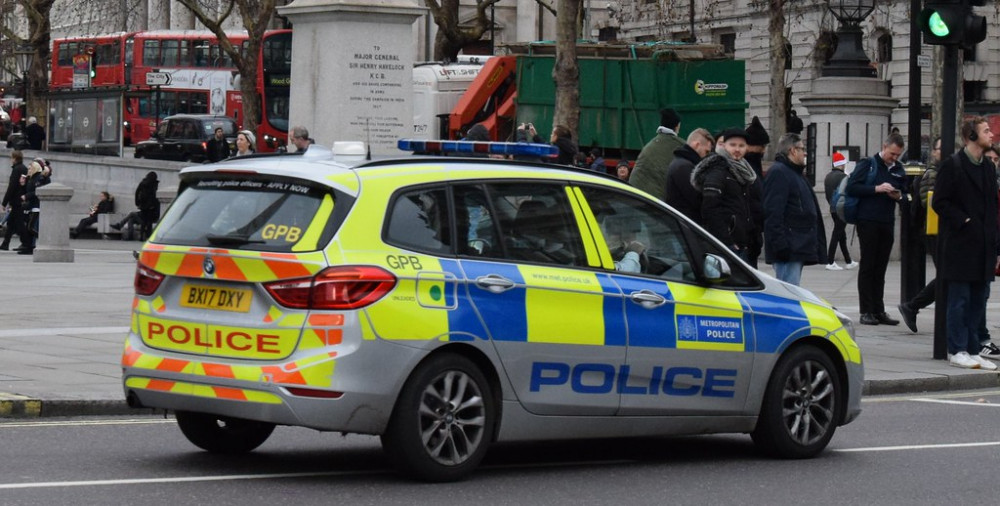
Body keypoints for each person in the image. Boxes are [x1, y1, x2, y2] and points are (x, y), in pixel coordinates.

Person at [932, 117, 1000, 370]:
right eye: (985, 131)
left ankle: (973, 349)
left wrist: (996, 247)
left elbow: (993, 208)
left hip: (983, 245)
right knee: (959, 300)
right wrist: (965, 221)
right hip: (961, 244)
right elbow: (939, 202)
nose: (991, 134)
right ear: (971, 136)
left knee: (977, 301)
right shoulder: (953, 165)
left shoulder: (987, 167)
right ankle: (957, 349)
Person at [846, 133, 906, 326]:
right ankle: (866, 310)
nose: (894, 158)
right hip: (868, 220)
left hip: (887, 220)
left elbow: (905, 191)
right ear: (884, 146)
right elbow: (852, 188)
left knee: (881, 267)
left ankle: (878, 309)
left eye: (897, 155)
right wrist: (876, 189)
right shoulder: (868, 164)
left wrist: (898, 196)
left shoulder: (899, 169)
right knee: (868, 265)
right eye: (892, 154)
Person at [762, 133, 827, 285]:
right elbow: (773, 213)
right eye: (802, 149)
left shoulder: (795, 173)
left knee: (792, 293)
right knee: (787, 295)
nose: (805, 153)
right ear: (792, 150)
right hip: (789, 249)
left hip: (797, 246)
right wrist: (781, 246)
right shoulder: (779, 172)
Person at [690, 127, 758, 260]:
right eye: (732, 145)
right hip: (726, 246)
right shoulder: (718, 171)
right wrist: (727, 242)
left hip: (740, 243)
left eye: (741, 145)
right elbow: (710, 209)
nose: (737, 149)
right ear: (723, 146)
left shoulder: (742, 171)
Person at [897, 137, 942, 331]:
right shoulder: (932, 174)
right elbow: (930, 203)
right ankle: (912, 306)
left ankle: (912, 306)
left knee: (946, 276)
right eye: (940, 148)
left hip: (939, 231)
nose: (945, 151)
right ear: (933, 152)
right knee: (946, 276)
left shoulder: (943, 172)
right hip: (935, 231)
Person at [629, 108, 684, 201]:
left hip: (632, 194)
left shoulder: (652, 143)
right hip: (651, 201)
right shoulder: (679, 145)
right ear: (677, 126)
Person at [664, 127, 714, 223]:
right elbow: (697, 200)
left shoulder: (681, 163)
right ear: (696, 145)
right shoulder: (684, 167)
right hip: (686, 224)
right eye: (706, 151)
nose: (706, 156)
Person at [823, 152, 858, 271]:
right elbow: (847, 193)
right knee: (837, 234)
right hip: (841, 209)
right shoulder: (843, 177)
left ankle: (848, 261)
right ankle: (830, 261)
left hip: (832, 209)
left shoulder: (828, 176)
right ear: (842, 164)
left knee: (841, 235)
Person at [743, 116, 769, 268]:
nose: (764, 150)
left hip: (754, 233)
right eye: (761, 146)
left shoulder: (754, 166)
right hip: (748, 234)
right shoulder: (748, 168)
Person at [111, 171, 160, 241]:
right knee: (131, 219)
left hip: (146, 214)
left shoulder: (144, 184)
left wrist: (138, 203)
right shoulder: (154, 186)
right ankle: (127, 233)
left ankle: (120, 225)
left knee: (132, 214)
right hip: (149, 212)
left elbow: (137, 193)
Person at [18, 160, 51, 254]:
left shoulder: (38, 178)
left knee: (30, 227)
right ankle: (29, 246)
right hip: (31, 206)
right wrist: (22, 184)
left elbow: (37, 191)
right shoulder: (31, 178)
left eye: (30, 168)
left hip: (36, 206)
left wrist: (26, 196)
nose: (28, 170)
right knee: (28, 227)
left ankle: (44, 239)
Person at [0, 150, 27, 250]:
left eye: (11, 158)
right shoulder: (23, 168)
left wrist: (4, 202)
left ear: (15, 158)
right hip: (19, 199)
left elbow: (12, 187)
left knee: (19, 223)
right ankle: (5, 243)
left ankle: (26, 243)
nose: (10, 160)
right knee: (11, 223)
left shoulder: (17, 169)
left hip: (16, 200)